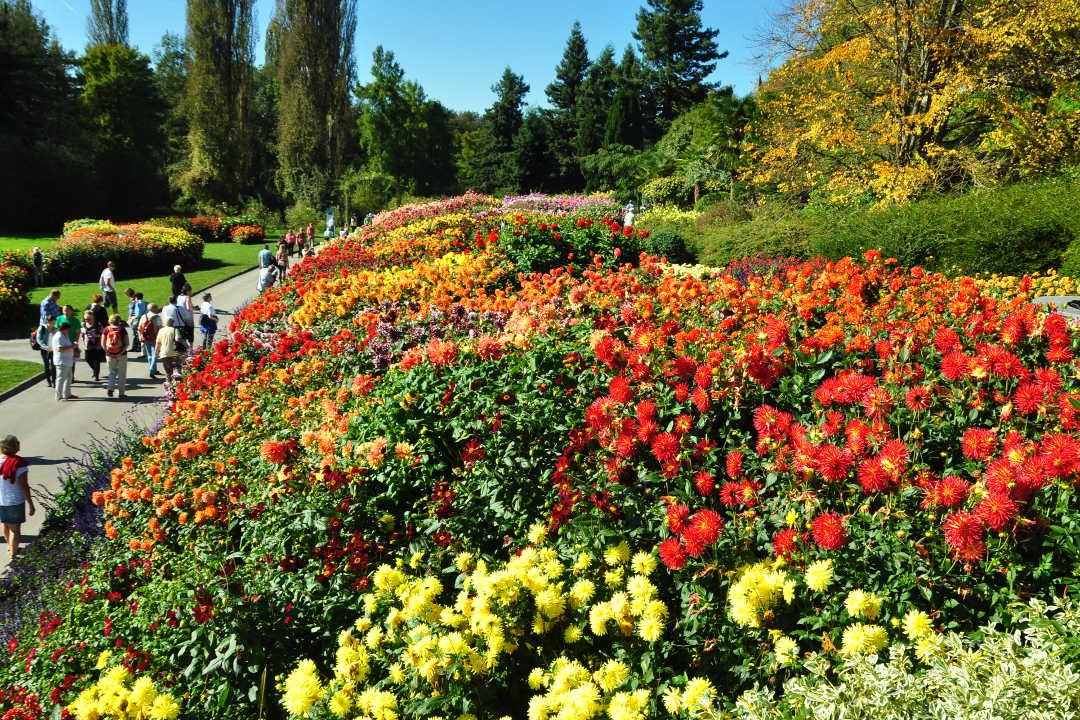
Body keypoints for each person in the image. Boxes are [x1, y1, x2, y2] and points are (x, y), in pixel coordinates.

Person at [0, 435, 35, 562]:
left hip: (1, 500)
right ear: (15, 446)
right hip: (15, 501)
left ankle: (10, 547)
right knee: (15, 530)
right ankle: (13, 554)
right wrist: (31, 504)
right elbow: (24, 486)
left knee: (5, 524)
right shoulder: (19, 464)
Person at [101, 314, 128, 398]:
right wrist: (120, 352)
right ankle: (121, 393)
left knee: (112, 372)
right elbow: (127, 344)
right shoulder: (122, 329)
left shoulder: (106, 329)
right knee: (121, 374)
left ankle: (110, 388)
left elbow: (102, 344)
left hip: (110, 354)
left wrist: (108, 352)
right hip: (121, 354)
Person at [51, 316, 76, 400]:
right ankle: (58, 396)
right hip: (62, 361)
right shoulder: (59, 337)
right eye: (67, 329)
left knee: (68, 378)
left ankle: (67, 394)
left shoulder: (65, 335)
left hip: (68, 361)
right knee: (60, 379)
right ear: (63, 329)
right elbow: (60, 349)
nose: (68, 331)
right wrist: (72, 346)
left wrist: (73, 347)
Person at [78, 310, 105, 382]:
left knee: (96, 360)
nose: (88, 320)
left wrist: (96, 336)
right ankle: (94, 369)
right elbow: (81, 334)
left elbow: (103, 334)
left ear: (93, 318)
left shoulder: (98, 324)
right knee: (87, 359)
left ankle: (96, 375)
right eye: (86, 319)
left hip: (97, 344)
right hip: (87, 345)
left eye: (89, 319)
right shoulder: (83, 324)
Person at [140, 303, 163, 378]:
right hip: (155, 337)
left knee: (150, 354)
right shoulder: (157, 317)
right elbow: (160, 328)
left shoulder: (144, 316)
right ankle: (152, 370)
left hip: (146, 337)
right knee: (155, 354)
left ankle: (154, 369)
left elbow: (140, 327)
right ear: (154, 309)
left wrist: (141, 336)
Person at [36, 311, 56, 388]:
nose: (53, 324)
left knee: (54, 366)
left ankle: (54, 381)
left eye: (54, 323)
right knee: (47, 365)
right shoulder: (42, 328)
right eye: (51, 323)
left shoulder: (55, 329)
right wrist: (46, 347)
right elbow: (39, 340)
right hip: (45, 350)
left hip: (53, 350)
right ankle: (49, 381)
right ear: (48, 321)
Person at [125, 288, 147, 353]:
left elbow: (137, 311)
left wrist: (132, 317)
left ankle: (138, 347)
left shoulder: (137, 301)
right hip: (133, 318)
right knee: (135, 333)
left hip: (135, 319)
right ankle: (135, 347)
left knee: (137, 333)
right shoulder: (134, 300)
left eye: (126, 294)